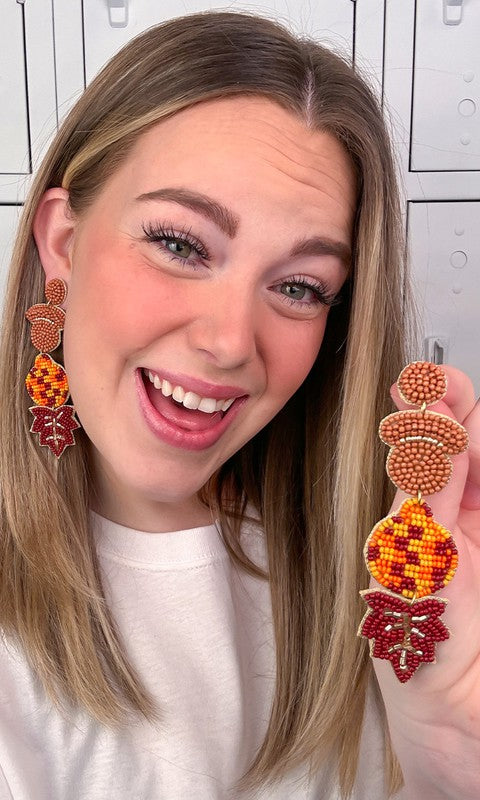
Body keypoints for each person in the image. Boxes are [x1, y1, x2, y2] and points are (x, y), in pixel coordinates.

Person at [0, 10, 478, 800]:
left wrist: (453, 752)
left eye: (298, 287)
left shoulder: (396, 579)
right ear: (63, 242)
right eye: (181, 244)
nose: (229, 342)